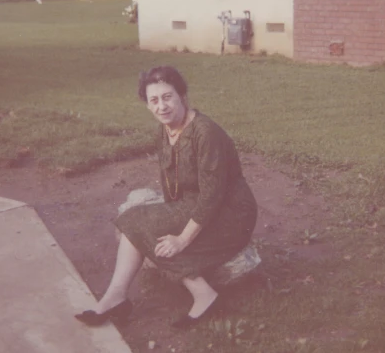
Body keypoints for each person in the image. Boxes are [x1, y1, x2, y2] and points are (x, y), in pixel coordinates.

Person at [75, 66, 258, 329]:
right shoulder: (166, 130)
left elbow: (213, 196)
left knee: (141, 223)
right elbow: (170, 181)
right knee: (137, 221)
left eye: (167, 97)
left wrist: (182, 239)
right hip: (193, 205)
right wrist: (167, 222)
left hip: (230, 214)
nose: (162, 106)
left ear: (182, 96)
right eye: (154, 100)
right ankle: (116, 297)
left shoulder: (206, 133)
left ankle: (204, 295)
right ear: (148, 105)